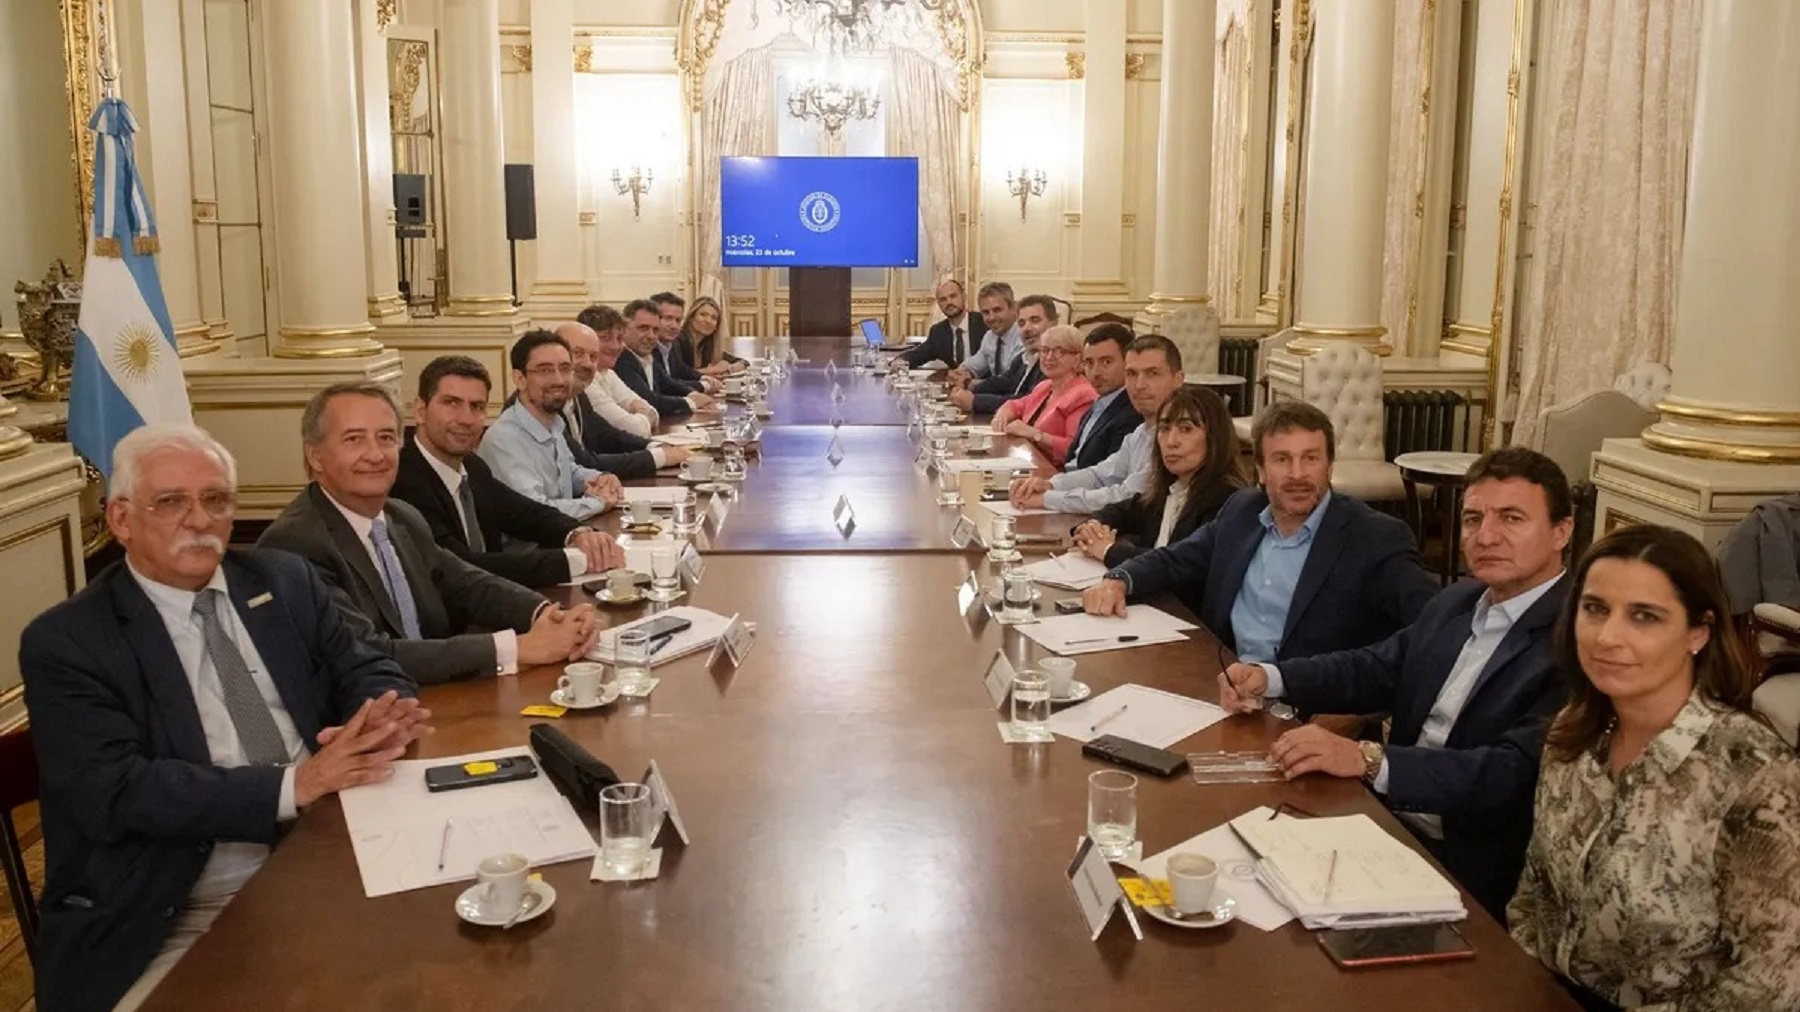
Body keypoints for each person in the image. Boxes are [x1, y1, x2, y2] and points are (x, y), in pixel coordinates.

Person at [21, 424, 429, 1011]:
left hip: (332, 850)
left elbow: (365, 664)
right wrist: (295, 784)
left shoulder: (281, 580)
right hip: (176, 901)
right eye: (170, 502)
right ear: (120, 520)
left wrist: (378, 716)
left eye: (215, 500)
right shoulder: (70, 642)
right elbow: (116, 791)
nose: (198, 519)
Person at [1219, 447, 1575, 920]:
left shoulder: (1576, 640)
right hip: (1387, 825)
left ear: (1561, 532)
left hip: (1467, 866)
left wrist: (1368, 759)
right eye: (1472, 519)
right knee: (1233, 867)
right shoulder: (1459, 600)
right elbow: (1377, 668)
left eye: (1511, 518)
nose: (1486, 536)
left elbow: (1511, 773)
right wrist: (1271, 678)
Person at [1508, 525, 1800, 1010]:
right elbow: (1534, 897)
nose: (1607, 637)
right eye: (1595, 608)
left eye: (1644, 616)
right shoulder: (1571, 732)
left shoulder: (1757, 776)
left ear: (1698, 633)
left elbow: (1768, 986)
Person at [259, 382, 598, 683]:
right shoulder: (295, 543)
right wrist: (518, 647)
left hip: (437, 697)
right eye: (354, 439)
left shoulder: (400, 516)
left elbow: (467, 583)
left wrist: (547, 615)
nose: (375, 455)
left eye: (387, 438)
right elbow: (369, 652)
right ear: (315, 456)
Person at [1082, 400, 1436, 662]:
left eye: (1311, 458)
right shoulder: (1242, 511)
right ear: (1261, 470)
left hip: (1312, 710)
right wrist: (1119, 579)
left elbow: (1432, 632)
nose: (1298, 474)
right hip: (1227, 684)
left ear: (1329, 466)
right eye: (1282, 460)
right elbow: (1177, 559)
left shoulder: (1375, 537)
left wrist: (1356, 712)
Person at [391, 355, 625, 588]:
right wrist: (576, 560)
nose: (466, 418)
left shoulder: (472, 466)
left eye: (476, 406)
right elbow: (462, 567)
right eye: (451, 403)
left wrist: (579, 534)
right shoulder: (403, 480)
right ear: (420, 411)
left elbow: (525, 513)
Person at [1073, 385, 1246, 568]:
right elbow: (1122, 511)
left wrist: (1108, 550)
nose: (1171, 442)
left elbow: (1180, 563)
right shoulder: (1171, 487)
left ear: (1215, 437)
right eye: (1164, 429)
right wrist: (1091, 527)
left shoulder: (1227, 499)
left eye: (1186, 429)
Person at [1010, 335, 1186, 515]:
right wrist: (1050, 484)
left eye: (1152, 373)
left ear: (1178, 380)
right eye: (1132, 374)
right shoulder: (1141, 432)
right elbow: (1100, 475)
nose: (1139, 385)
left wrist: (1048, 498)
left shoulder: (1181, 436)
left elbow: (1126, 496)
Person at [477, 330, 624, 521]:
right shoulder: (504, 439)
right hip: (532, 548)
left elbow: (567, 471)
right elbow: (536, 509)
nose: (558, 380)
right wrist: (598, 502)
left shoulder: (553, 423)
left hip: (563, 537)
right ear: (519, 379)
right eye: (545, 370)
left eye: (565, 368)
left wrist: (600, 478)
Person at [555, 320, 689, 477]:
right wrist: (659, 457)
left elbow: (608, 435)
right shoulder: (550, 402)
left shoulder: (579, 395)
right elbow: (583, 462)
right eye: (577, 353)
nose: (587, 364)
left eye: (593, 357)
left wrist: (657, 445)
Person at [990, 324, 1096, 467]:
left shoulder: (1083, 394)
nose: (1049, 357)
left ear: (1077, 359)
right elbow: (1015, 405)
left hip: (1053, 473)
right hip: (1027, 463)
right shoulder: (1044, 386)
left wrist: (1034, 434)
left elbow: (1072, 449)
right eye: (1044, 350)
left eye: (1059, 351)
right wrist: (1002, 414)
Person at [613, 298, 715, 418]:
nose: (651, 336)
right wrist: (691, 402)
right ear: (624, 329)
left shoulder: (646, 355)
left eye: (655, 330)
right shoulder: (621, 359)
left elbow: (668, 383)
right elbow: (650, 401)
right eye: (643, 328)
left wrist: (692, 393)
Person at [953, 293, 1052, 414]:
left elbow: (1028, 401)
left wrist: (975, 401)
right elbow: (1004, 382)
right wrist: (968, 389)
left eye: (1035, 320)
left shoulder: (1053, 361)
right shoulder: (1023, 358)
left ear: (1053, 322)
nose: (1027, 328)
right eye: (1021, 323)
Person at [575, 303, 661, 438]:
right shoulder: (584, 381)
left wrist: (641, 413)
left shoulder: (607, 373)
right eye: (605, 338)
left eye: (619, 339)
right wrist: (641, 414)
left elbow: (654, 413)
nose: (615, 346)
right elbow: (633, 429)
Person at [1064, 323, 1139, 470]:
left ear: (1128, 362)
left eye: (1106, 362)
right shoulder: (1100, 403)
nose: (1095, 372)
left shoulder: (1132, 414)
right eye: (1089, 363)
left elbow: (1110, 478)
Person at [897, 278, 987, 369]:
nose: (949, 302)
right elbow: (919, 354)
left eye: (953, 296)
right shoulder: (938, 332)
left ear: (964, 297)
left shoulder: (984, 323)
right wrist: (901, 361)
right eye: (943, 299)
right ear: (939, 304)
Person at [948, 281, 1021, 385]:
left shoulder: (1023, 336)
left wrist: (970, 383)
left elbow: (1011, 382)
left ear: (1013, 309)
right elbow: (974, 365)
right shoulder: (990, 337)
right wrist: (960, 373)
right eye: (986, 312)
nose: (991, 318)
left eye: (997, 310)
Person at [650, 291, 720, 394]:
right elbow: (666, 385)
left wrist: (703, 377)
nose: (674, 326)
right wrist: (703, 385)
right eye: (668, 318)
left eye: (678, 320)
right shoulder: (648, 348)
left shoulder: (669, 345)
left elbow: (683, 369)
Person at [674, 295, 745, 377]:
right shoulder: (678, 341)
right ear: (691, 317)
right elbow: (677, 374)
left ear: (716, 326)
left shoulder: (706, 344)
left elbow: (743, 361)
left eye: (714, 318)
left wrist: (733, 367)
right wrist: (711, 370)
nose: (708, 321)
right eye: (703, 315)